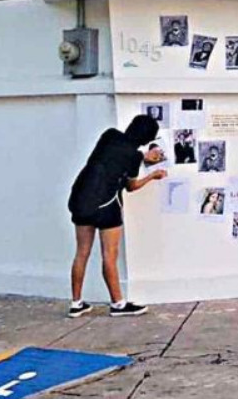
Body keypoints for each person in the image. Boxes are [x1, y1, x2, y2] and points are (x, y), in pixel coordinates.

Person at [67, 115, 167, 318]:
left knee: (81, 253)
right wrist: (152, 175)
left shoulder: (109, 136)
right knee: (109, 256)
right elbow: (131, 186)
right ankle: (118, 304)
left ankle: (76, 303)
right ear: (147, 140)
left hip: (81, 200)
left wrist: (142, 157)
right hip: (107, 206)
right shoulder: (134, 157)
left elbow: (113, 156)